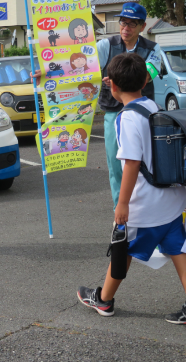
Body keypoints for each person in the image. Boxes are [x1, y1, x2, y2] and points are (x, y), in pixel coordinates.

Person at [77, 52, 186, 325]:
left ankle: (103, 299)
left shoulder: (126, 118)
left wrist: (122, 204)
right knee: (180, 251)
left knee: (121, 248)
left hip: (145, 205)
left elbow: (131, 164)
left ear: (112, 86)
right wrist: (115, 81)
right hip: (171, 200)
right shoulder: (150, 104)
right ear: (144, 80)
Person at [33, 3, 161, 210]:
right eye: (123, 22)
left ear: (142, 26)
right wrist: (48, 73)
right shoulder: (106, 45)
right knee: (117, 165)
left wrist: (120, 82)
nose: (126, 27)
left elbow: (146, 75)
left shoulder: (153, 49)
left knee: (148, 162)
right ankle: (120, 212)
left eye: (132, 23)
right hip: (113, 112)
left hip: (142, 113)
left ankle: (148, 211)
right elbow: (81, 66)